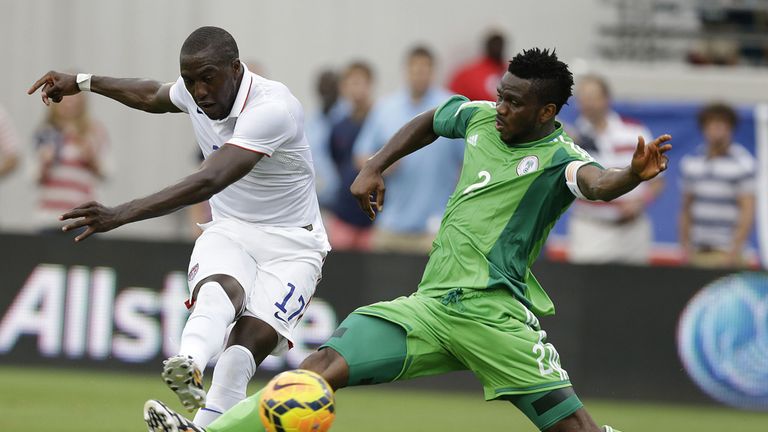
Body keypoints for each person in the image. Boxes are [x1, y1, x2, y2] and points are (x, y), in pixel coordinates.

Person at [144, 48, 672, 432]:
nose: (501, 107)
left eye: (514, 102)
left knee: (573, 428)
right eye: (500, 96)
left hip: (495, 319)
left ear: (547, 112)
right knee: (320, 368)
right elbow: (431, 120)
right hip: (431, 308)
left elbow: (598, 184)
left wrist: (630, 175)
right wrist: (375, 166)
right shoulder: (483, 119)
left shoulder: (563, 159)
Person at [28, 26, 330, 427]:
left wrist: (121, 213)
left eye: (208, 78)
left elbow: (209, 180)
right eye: (190, 81)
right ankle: (188, 362)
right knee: (218, 292)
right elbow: (151, 94)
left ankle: (200, 418)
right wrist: (84, 82)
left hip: (295, 244)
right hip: (231, 227)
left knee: (244, 349)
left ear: (235, 69)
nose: (199, 91)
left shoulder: (274, 108)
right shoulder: (195, 92)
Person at [353, 46, 464, 253]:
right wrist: (381, 163)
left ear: (433, 71)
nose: (419, 75)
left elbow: (469, 161)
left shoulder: (450, 108)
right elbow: (360, 155)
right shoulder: (385, 108)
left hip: (436, 227)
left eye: (424, 69)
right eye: (415, 69)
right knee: (381, 283)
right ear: (406, 71)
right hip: (391, 224)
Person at [566, 74, 663, 265]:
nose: (588, 103)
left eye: (593, 97)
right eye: (583, 98)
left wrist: (641, 201)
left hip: (633, 230)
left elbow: (658, 181)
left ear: (606, 99)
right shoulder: (570, 139)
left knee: (633, 290)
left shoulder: (635, 133)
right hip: (591, 229)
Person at [679, 102, 756, 267]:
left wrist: (734, 252)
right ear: (704, 128)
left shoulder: (743, 163)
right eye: (712, 124)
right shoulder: (692, 162)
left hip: (727, 253)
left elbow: (747, 211)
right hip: (698, 252)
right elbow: (686, 208)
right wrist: (685, 248)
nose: (716, 129)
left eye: (722, 124)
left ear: (731, 128)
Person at [34, 92, 109, 233]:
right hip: (49, 215)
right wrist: (44, 164)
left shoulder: (94, 132)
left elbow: (107, 172)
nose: (69, 102)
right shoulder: (45, 132)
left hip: (83, 216)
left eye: (74, 98)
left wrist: (92, 160)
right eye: (64, 98)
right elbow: (33, 176)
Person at [327, 62, 376, 250]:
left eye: (361, 82)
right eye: (352, 83)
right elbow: (337, 160)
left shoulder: (379, 121)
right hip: (344, 211)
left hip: (373, 213)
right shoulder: (339, 126)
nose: (357, 89)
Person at [305, 70, 348, 211]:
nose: (327, 91)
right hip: (317, 197)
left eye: (331, 86)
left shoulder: (347, 116)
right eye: (323, 87)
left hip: (344, 195)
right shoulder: (312, 119)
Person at [448, 31, 508, 101]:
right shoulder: (468, 75)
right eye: (494, 45)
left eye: (499, 45)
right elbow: (453, 102)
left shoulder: (511, 73)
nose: (497, 48)